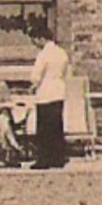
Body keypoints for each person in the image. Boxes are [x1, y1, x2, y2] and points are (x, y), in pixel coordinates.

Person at [28, 21, 70, 169]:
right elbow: (65, 72)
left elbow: (36, 76)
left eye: (34, 40)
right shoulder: (61, 53)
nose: (34, 44)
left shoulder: (43, 55)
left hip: (45, 93)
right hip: (59, 91)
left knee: (44, 129)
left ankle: (44, 159)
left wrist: (32, 86)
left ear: (40, 38)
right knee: (56, 127)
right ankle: (58, 157)